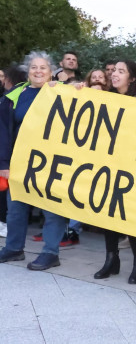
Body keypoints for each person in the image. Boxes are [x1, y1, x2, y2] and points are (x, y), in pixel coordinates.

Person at [0, 52, 68, 270]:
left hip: (52, 162)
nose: (38, 71)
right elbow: (3, 131)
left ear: (51, 73)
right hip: (19, 161)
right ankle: (13, 248)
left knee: (51, 208)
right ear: (27, 72)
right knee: (16, 208)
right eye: (33, 68)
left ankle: (50, 252)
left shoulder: (62, 93)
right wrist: (3, 163)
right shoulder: (15, 95)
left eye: (43, 68)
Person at [94, 60, 136, 284]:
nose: (114, 74)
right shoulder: (107, 97)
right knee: (109, 212)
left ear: (133, 78)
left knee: (130, 214)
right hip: (109, 162)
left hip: (133, 167)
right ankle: (111, 258)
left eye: (120, 71)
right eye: (113, 70)